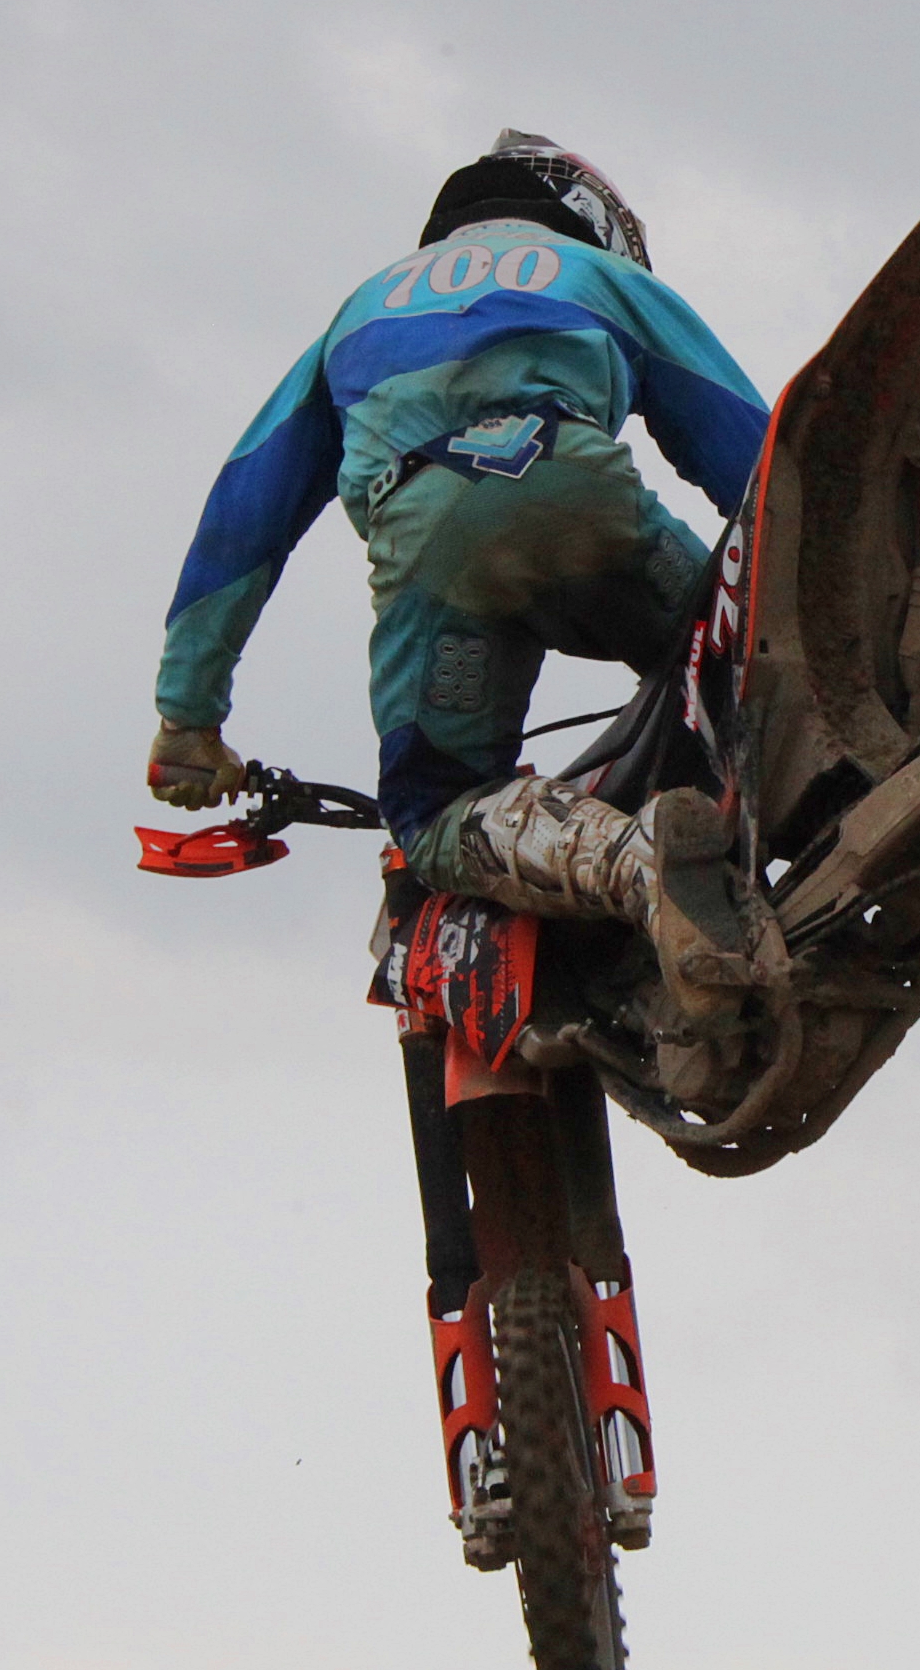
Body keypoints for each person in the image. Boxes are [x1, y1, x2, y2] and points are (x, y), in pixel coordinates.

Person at [145, 127, 782, 1058]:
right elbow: (757, 457)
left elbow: (244, 517)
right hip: (585, 494)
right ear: (593, 219)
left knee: (433, 814)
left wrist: (188, 717)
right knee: (740, 654)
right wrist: (794, 604)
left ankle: (634, 862)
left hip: (436, 541)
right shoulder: (601, 276)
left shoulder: (359, 312)